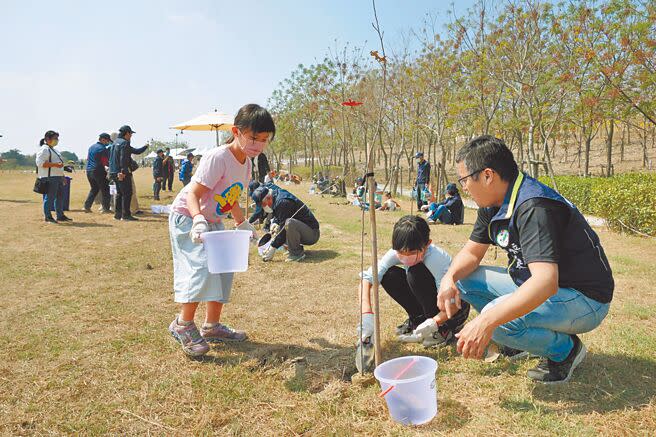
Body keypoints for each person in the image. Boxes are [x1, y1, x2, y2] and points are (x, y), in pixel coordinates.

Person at [435, 135, 614, 384]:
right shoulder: (494, 203)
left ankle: (566, 352)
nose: (463, 186)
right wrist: (449, 278)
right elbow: (471, 253)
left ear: (487, 175)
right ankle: (519, 341)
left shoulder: (533, 206)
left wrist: (486, 321)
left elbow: (545, 282)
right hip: (547, 288)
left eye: (464, 179)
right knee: (464, 280)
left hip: (584, 298)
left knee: (494, 319)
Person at [167, 103, 271, 357]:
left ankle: (211, 326)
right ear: (236, 131)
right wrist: (198, 220)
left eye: (264, 140)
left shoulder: (246, 163)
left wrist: (240, 222)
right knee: (201, 269)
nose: (258, 145)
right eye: (253, 138)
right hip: (188, 216)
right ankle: (182, 325)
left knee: (223, 269)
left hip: (213, 219)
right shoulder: (218, 157)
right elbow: (194, 193)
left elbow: (229, 197)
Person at [355, 215, 470, 372]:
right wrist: (366, 314)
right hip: (432, 300)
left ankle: (443, 330)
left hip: (454, 310)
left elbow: (454, 303)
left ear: (427, 244)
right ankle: (418, 320)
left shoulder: (436, 260)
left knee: (415, 273)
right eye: (401, 252)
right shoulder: (396, 253)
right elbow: (368, 279)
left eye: (412, 252)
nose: (405, 256)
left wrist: (435, 322)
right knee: (389, 275)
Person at [252, 184, 320, 262]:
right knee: (282, 226)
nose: (263, 207)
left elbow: (283, 229)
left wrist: (273, 248)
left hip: (312, 234)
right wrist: (275, 222)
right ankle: (293, 248)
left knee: (289, 223)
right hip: (303, 229)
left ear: (268, 198)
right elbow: (281, 215)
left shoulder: (283, 201)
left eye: (263, 204)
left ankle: (296, 253)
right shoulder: (276, 196)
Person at [108, 125, 148, 221]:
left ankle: (117, 215)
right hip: (121, 173)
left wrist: (145, 147)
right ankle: (126, 215)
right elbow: (123, 159)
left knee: (120, 194)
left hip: (113, 171)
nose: (131, 136)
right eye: (131, 134)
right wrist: (122, 172)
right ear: (127, 133)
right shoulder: (125, 143)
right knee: (127, 193)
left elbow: (136, 151)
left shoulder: (115, 143)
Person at [35, 130, 72, 223]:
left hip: (57, 176)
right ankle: (48, 217)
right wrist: (55, 165)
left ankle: (60, 215)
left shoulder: (54, 150)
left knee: (60, 197)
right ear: (47, 139)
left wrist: (62, 176)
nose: (57, 140)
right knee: (50, 198)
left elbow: (59, 165)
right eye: (55, 138)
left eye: (57, 138)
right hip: (50, 177)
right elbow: (40, 163)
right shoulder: (44, 149)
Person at [83, 133, 112, 213]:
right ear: (103, 139)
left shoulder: (91, 147)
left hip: (89, 171)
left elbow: (88, 159)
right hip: (98, 171)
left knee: (94, 189)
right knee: (105, 189)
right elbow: (105, 162)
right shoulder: (103, 149)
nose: (108, 142)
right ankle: (105, 209)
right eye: (107, 141)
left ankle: (86, 206)